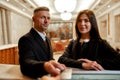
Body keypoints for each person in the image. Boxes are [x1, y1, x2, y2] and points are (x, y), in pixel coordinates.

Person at [18, 6, 66, 79]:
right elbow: (25, 65)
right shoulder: (25, 39)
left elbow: (49, 59)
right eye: (42, 17)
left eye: (48, 18)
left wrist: (56, 64)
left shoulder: (47, 38)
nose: (46, 21)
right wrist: (45, 66)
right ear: (33, 19)